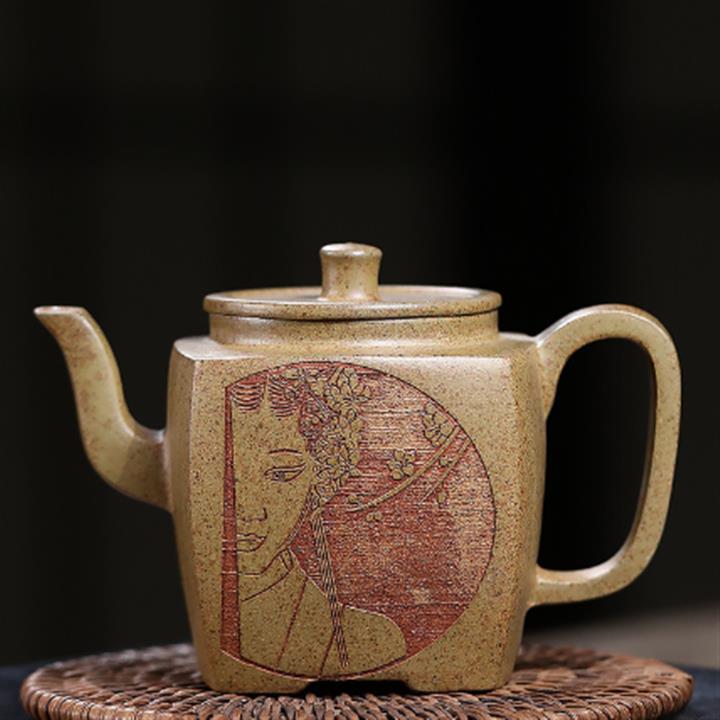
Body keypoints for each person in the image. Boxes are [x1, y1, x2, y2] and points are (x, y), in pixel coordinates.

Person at [221, 364, 407, 677]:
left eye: (281, 474)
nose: (249, 509)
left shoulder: (366, 638)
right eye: (229, 473)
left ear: (320, 475)